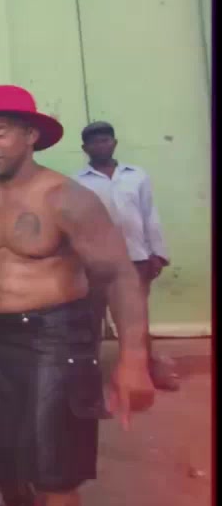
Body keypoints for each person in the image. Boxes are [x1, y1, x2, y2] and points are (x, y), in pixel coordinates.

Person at [0, 85, 156, 506]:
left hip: (56, 339)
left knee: (55, 463)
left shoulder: (68, 198)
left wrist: (133, 359)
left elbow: (118, 276)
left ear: (30, 135)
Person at [73, 120, 180, 392]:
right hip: (95, 263)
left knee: (136, 322)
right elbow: (75, 225)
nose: (100, 146)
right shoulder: (77, 182)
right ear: (85, 148)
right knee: (90, 322)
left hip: (136, 260)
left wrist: (157, 253)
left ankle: (146, 374)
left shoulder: (136, 176)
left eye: (105, 140)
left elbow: (149, 215)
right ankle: (87, 378)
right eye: (94, 142)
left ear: (114, 143)